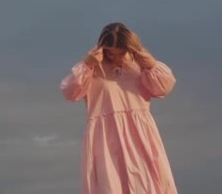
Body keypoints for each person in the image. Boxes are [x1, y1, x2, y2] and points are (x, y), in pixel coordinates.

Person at [60, 22, 178, 194]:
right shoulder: (92, 68)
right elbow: (70, 93)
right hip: (105, 139)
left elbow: (164, 88)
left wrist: (151, 64)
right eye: (110, 53)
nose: (116, 58)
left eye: (121, 53)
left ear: (130, 48)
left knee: (147, 184)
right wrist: (87, 63)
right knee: (110, 185)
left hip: (140, 135)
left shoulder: (141, 66)